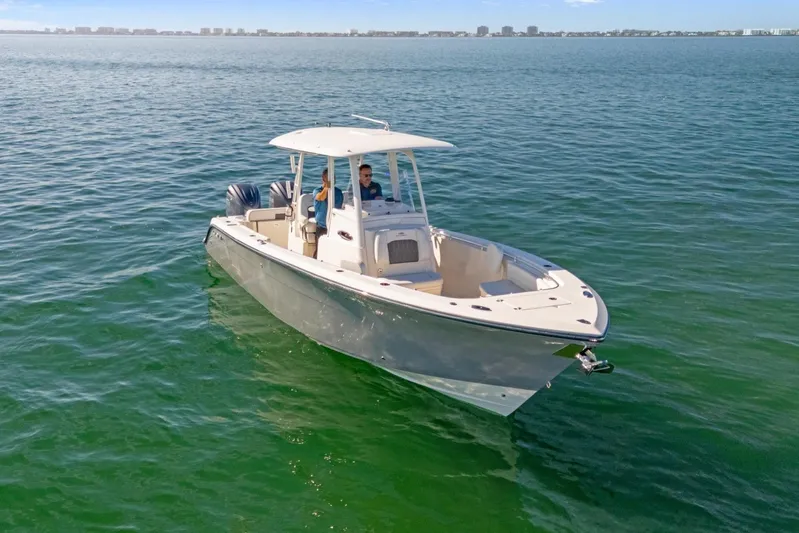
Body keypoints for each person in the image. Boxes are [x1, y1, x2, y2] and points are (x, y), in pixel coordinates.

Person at [312, 168, 343, 256]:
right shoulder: (317, 191)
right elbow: (321, 197)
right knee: (319, 251)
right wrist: (327, 187)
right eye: (330, 177)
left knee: (333, 251)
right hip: (322, 226)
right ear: (323, 178)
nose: (333, 179)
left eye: (333, 177)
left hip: (335, 226)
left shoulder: (338, 192)